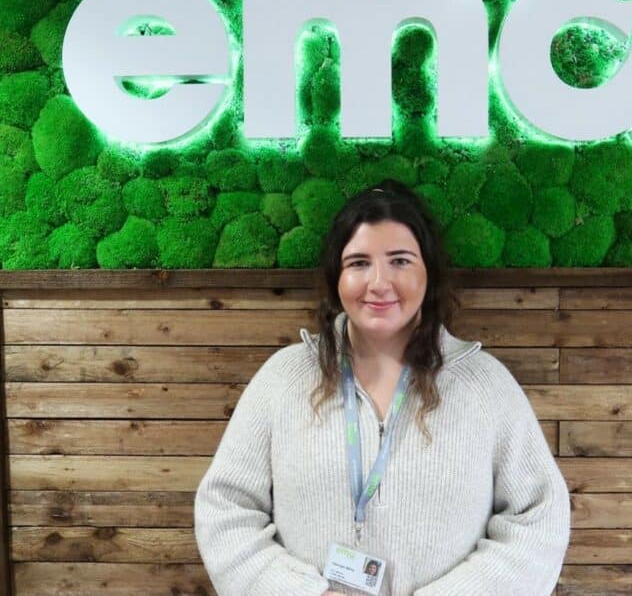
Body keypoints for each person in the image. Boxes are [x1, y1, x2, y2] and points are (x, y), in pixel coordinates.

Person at [195, 179, 571, 595]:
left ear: (429, 272)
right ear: (337, 277)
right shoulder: (284, 378)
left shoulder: (485, 385)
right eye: (358, 263)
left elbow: (539, 519)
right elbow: (225, 507)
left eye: (400, 261)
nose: (378, 282)